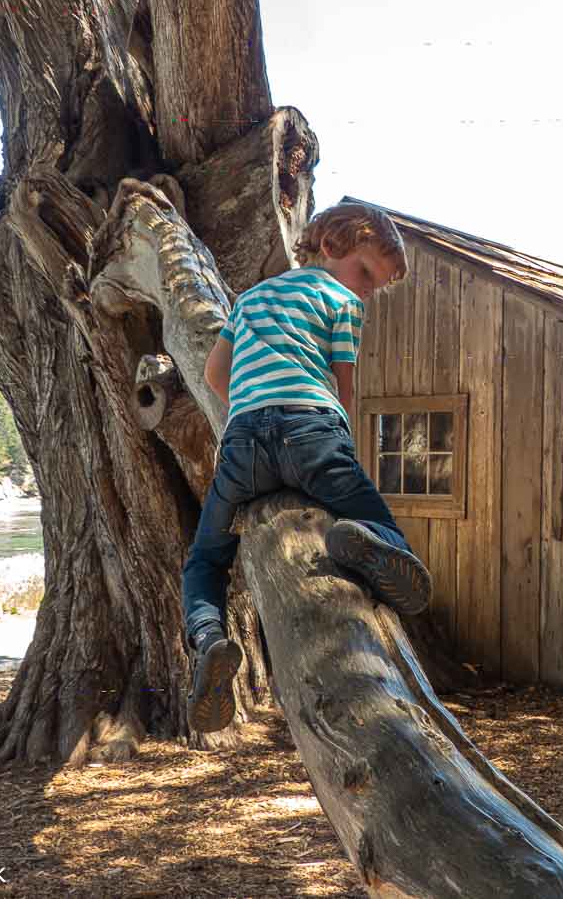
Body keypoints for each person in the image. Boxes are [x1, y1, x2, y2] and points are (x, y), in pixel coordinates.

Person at [182, 200, 433, 733]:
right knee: (373, 513)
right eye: (367, 274)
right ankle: (368, 542)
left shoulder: (250, 298)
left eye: (375, 287)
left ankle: (209, 639)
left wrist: (252, 405)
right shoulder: (340, 300)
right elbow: (344, 387)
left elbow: (213, 374)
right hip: (312, 432)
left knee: (206, 557)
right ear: (331, 247)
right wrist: (335, 438)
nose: (366, 290)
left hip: (244, 447)